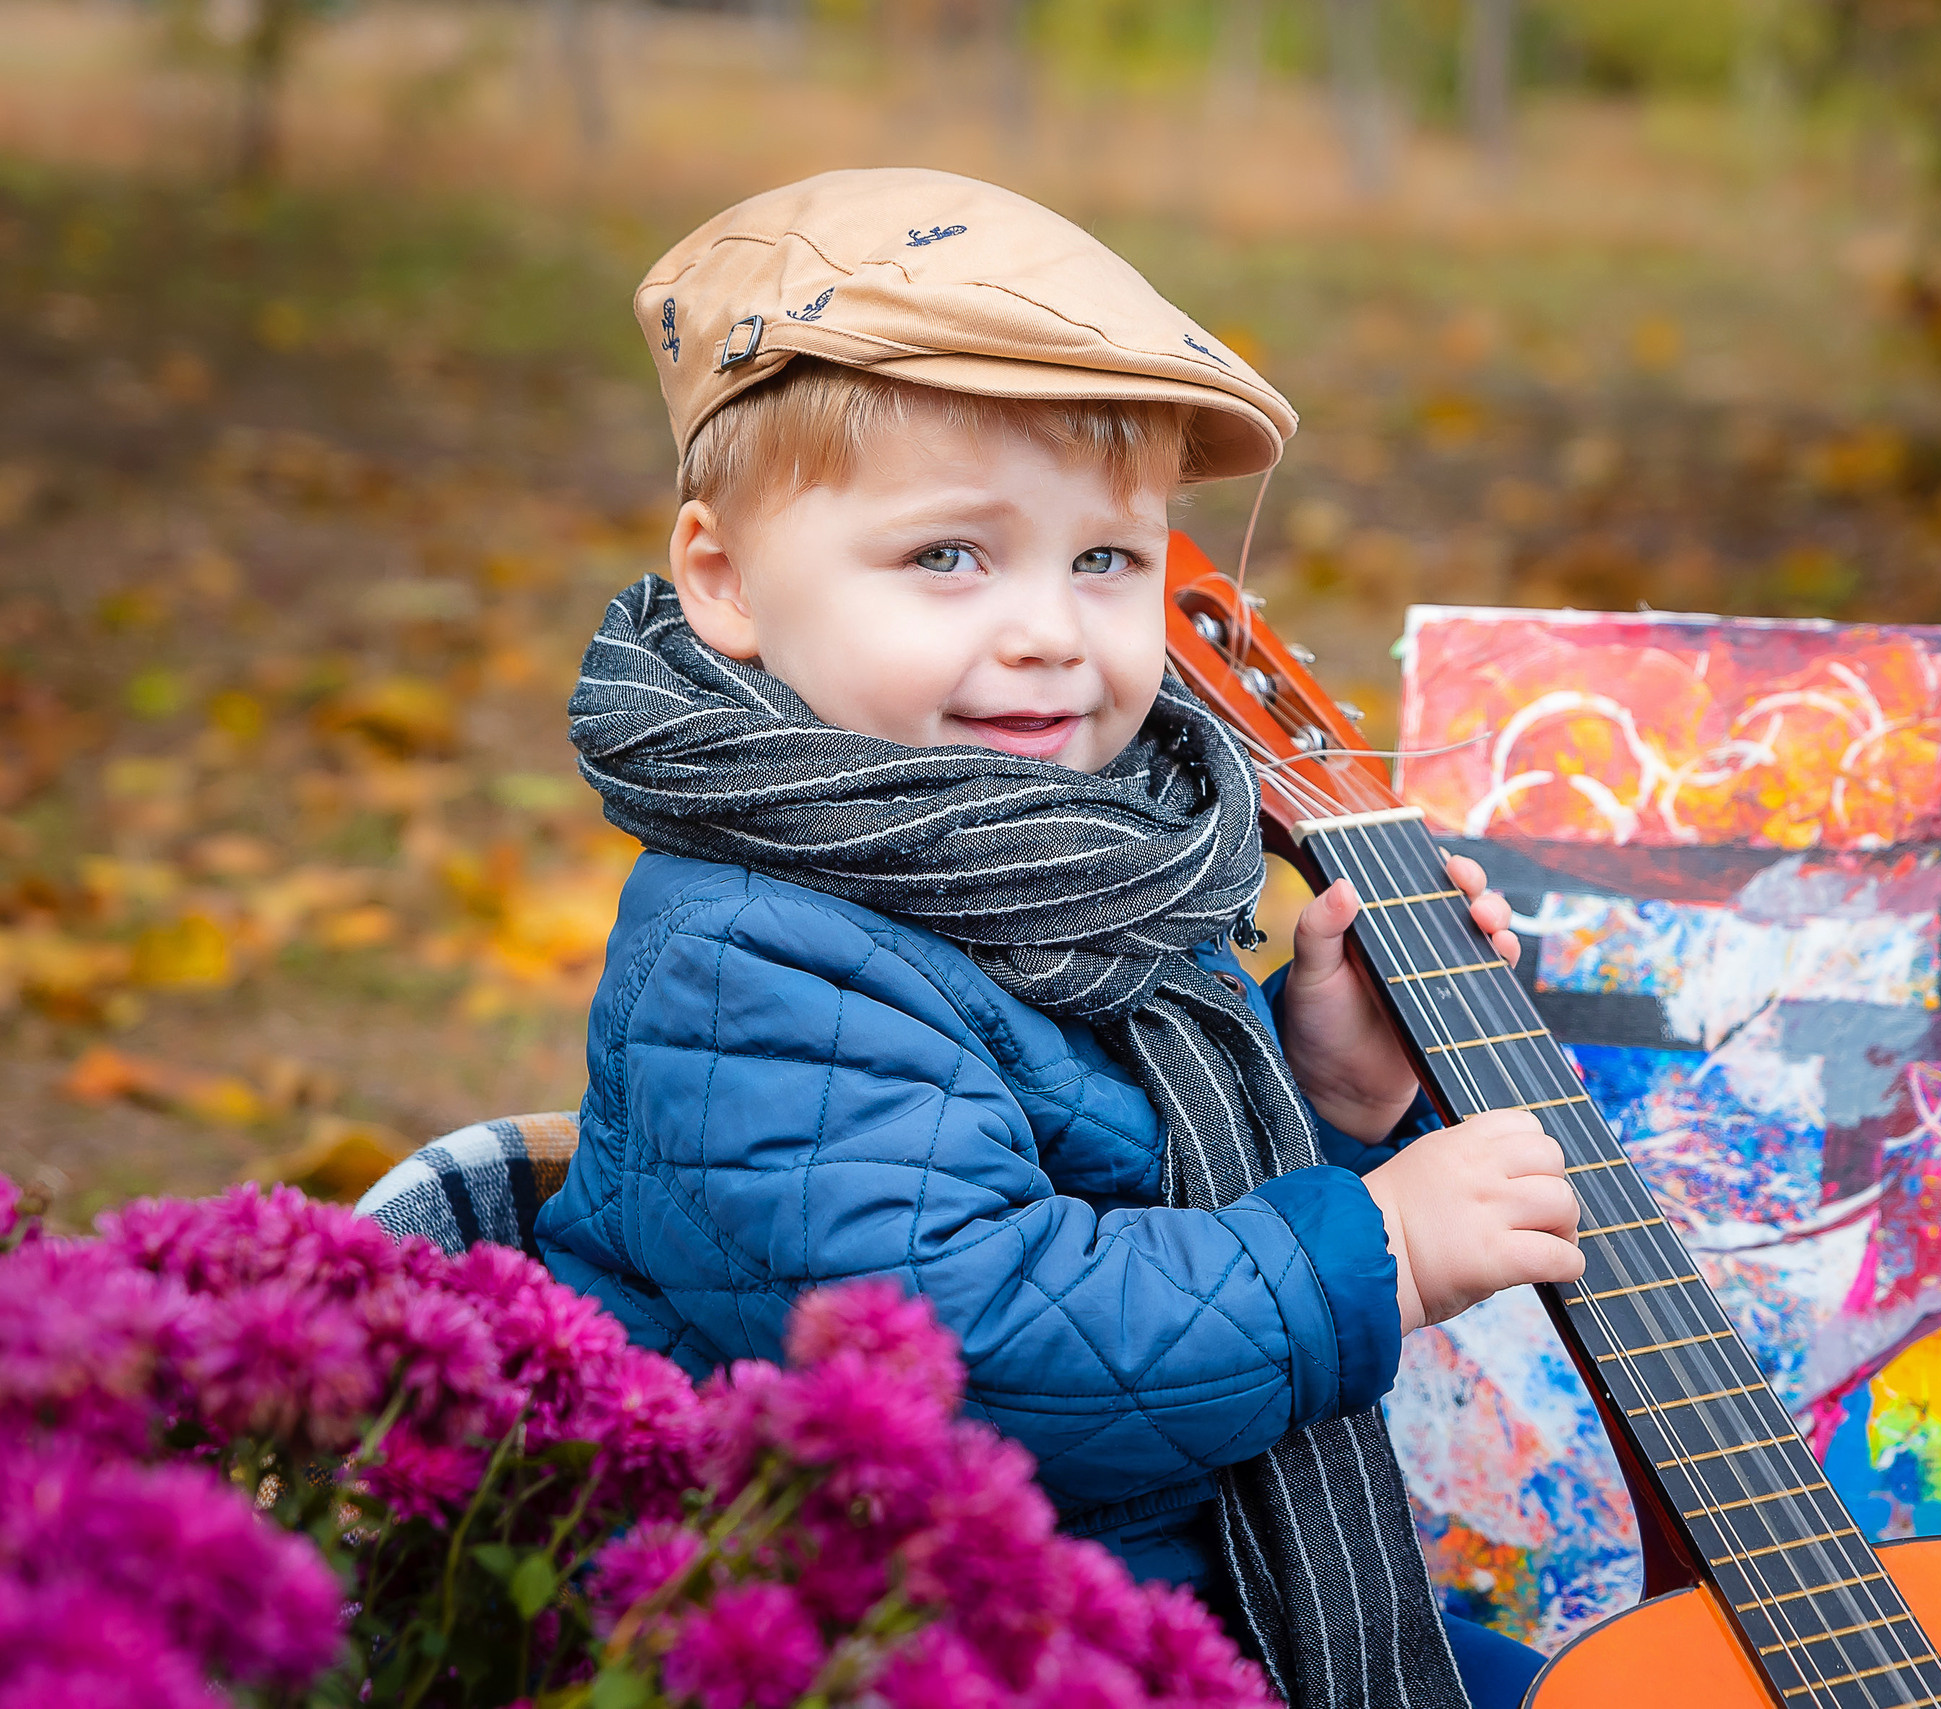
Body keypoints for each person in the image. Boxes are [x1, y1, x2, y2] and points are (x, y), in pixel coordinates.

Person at [535, 168, 1585, 1709]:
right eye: (949, 556)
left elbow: (1153, 1201)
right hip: (901, 1633)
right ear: (726, 581)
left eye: (1105, 560)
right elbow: (977, 1347)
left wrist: (1334, 1098)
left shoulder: (1084, 866)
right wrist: (1385, 1247)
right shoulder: (755, 945)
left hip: (1183, 1575)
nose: (1045, 629)